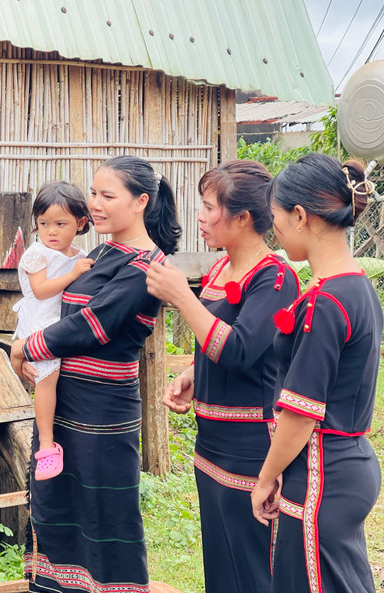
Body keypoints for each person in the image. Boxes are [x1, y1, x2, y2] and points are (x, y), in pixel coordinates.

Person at [10, 156, 182, 593]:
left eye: (108, 195)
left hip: (103, 412)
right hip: (65, 400)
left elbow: (94, 326)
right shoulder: (102, 251)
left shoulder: (145, 265)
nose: (95, 204)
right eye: (94, 193)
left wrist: (27, 347)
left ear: (142, 201)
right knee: (58, 505)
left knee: (107, 512)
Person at [144, 160, 300, 593]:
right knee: (221, 561)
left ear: (243, 218)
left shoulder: (276, 277)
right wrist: (195, 372)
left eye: (209, 206)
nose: (200, 215)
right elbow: (218, 346)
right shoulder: (218, 270)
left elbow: (239, 351)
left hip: (251, 448)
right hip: (209, 441)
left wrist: (181, 298)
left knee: (253, 567)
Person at [251, 154, 382, 592]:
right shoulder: (359, 287)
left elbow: (303, 412)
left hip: (322, 474)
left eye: (277, 219)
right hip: (351, 463)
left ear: (301, 216)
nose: (276, 232)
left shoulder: (325, 303)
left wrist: (266, 477)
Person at [13, 181, 93, 480]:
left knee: (58, 380)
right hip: (39, 323)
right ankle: (46, 445)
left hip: (62, 323)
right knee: (47, 380)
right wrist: (74, 273)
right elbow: (42, 290)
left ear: (80, 223)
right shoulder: (37, 254)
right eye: (44, 223)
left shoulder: (79, 253)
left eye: (61, 224)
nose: (52, 231)